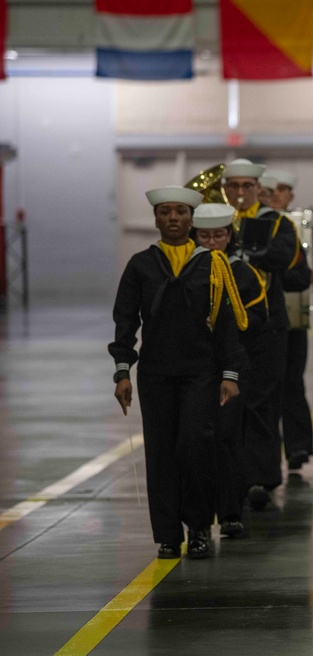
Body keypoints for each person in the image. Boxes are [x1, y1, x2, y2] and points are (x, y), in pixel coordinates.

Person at [109, 186, 245, 560]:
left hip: (200, 373)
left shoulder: (212, 264)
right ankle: (168, 535)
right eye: (166, 212)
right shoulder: (141, 264)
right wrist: (122, 370)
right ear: (155, 218)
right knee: (161, 452)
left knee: (195, 446)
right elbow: (125, 319)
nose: (173, 218)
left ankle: (199, 527)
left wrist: (229, 374)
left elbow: (227, 322)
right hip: (154, 374)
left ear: (191, 219)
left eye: (181, 212)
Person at [223, 158, 305, 510]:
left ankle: (261, 477)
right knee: (230, 405)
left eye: (247, 186)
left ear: (259, 189)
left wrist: (246, 253)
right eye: (234, 187)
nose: (240, 193)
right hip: (228, 326)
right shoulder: (217, 222)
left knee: (263, 401)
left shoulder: (277, 223)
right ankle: (233, 476)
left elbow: (285, 258)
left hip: (268, 326)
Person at [191, 202, 269, 539]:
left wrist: (230, 324)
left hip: (233, 366)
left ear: (229, 236)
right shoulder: (187, 270)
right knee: (195, 443)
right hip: (193, 368)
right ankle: (197, 519)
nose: (212, 242)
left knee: (228, 438)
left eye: (219, 235)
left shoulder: (243, 272)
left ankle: (231, 512)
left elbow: (259, 316)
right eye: (205, 236)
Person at [264, 168, 313, 471]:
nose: (277, 194)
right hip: (264, 320)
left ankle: (298, 447)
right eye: (272, 189)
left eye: (283, 189)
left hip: (294, 321)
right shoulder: (258, 225)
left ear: (291, 195)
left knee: (292, 382)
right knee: (266, 387)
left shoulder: (306, 229)